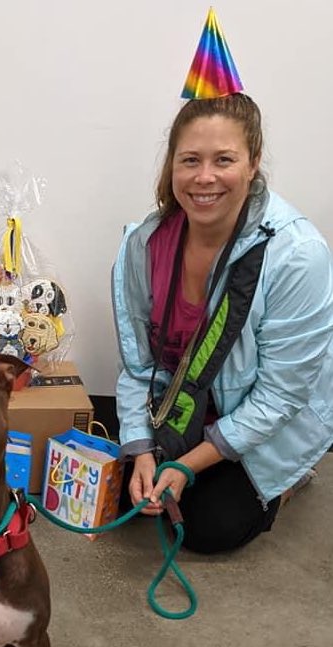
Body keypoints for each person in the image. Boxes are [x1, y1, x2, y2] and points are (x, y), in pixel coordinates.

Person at [112, 17, 333, 555]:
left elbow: (281, 394)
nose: (204, 177)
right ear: (172, 166)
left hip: (266, 417)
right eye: (190, 160)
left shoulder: (298, 256)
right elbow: (140, 366)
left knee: (206, 530)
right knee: (129, 500)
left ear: (253, 164)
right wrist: (141, 450)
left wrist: (186, 465)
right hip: (182, 406)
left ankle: (287, 480)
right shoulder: (145, 244)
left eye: (224, 160)